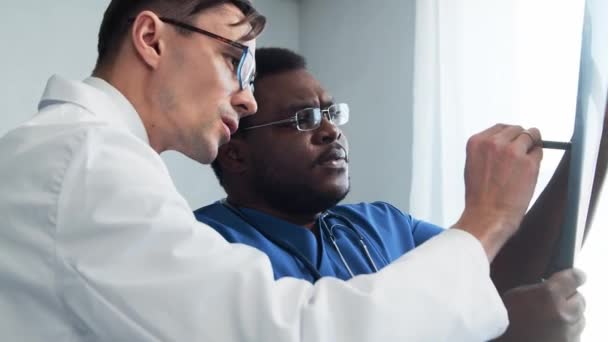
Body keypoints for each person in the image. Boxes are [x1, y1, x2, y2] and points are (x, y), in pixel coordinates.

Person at [0, 1, 543, 341]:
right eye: (234, 60)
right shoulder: (89, 161)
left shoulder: (75, 155)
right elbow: (291, 332)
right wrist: (489, 215)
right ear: (152, 39)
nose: (246, 98)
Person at [197, 47, 606, 341]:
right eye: (303, 119)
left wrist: (595, 148)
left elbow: (502, 281)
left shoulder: (383, 222)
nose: (330, 131)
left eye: (331, 113)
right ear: (235, 155)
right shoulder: (203, 248)